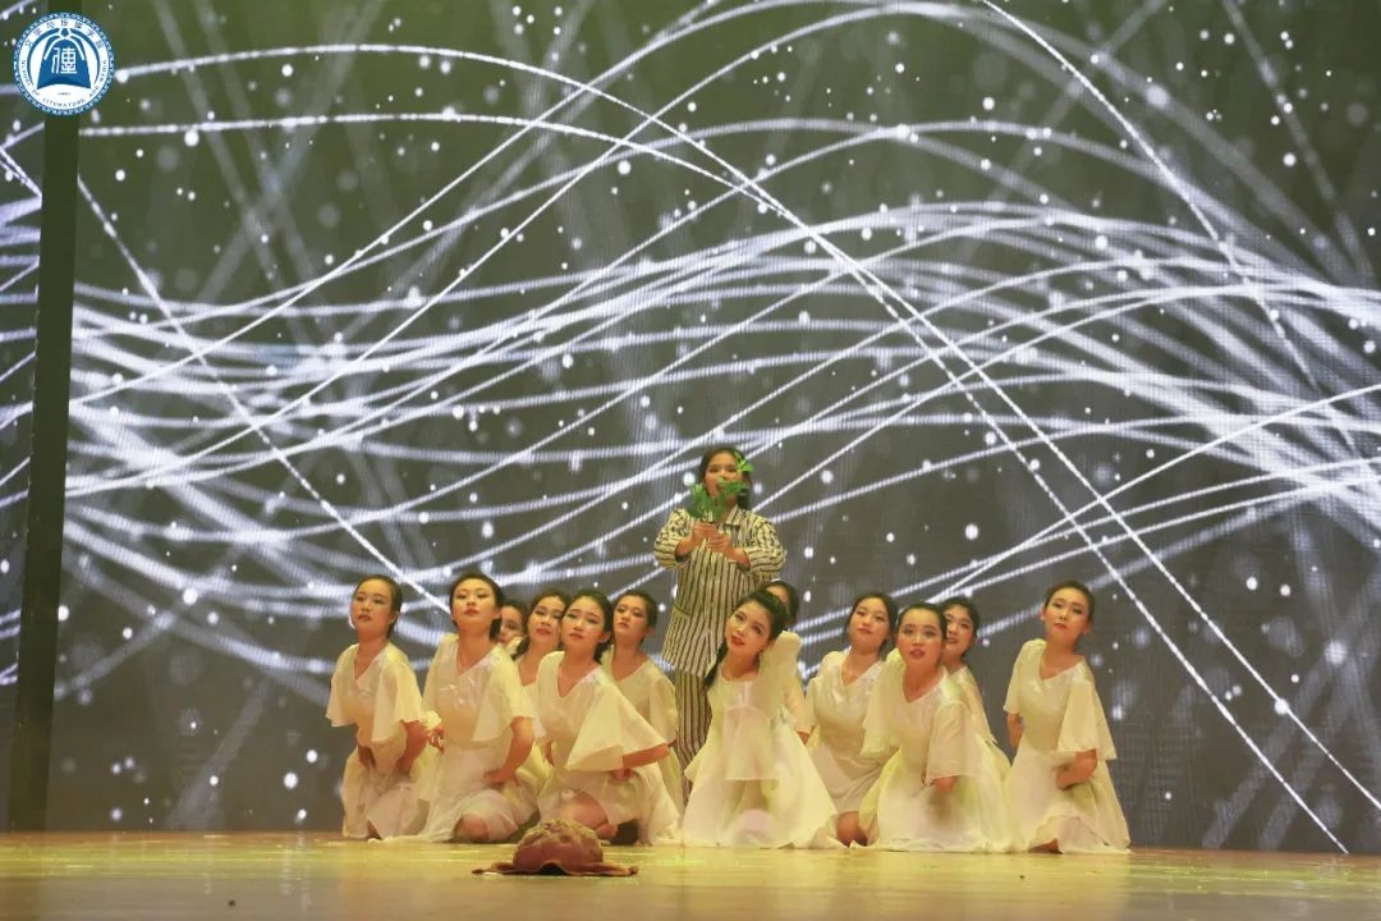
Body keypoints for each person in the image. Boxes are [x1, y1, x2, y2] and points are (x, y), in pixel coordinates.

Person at [654, 446, 785, 765]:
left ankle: (728, 794)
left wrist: (735, 553)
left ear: (744, 480)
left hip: (737, 648)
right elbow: (662, 552)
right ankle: (692, 795)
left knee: (734, 731)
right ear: (703, 480)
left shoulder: (756, 525)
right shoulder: (685, 519)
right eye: (714, 469)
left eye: (730, 469)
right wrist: (690, 542)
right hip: (691, 643)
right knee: (689, 733)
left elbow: (775, 560)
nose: (722, 475)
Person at [681, 591, 836, 848]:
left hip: (767, 763)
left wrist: (772, 629)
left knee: (757, 836)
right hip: (724, 757)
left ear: (769, 643)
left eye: (756, 629)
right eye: (739, 617)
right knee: (704, 837)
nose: (741, 630)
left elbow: (792, 641)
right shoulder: (717, 663)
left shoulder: (769, 672)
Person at [535, 590, 680, 844]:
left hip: (615, 781)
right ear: (561, 624)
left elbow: (658, 749)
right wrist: (550, 744)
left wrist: (618, 762)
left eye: (591, 620)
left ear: (603, 635)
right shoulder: (548, 664)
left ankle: (618, 820)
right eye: (573, 616)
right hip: (570, 776)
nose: (579, 625)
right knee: (547, 835)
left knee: (562, 828)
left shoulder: (600, 687)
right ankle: (608, 828)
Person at [405, 573, 536, 843]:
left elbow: (525, 736)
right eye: (462, 596)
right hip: (449, 772)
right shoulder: (446, 648)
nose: (471, 601)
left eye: (481, 595)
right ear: (453, 612)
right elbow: (434, 703)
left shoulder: (499, 667)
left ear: (496, 612)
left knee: (474, 825)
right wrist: (440, 725)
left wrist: (503, 774)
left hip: (487, 778)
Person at [1004, 581, 1130, 853]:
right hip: (1029, 771)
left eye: (1076, 611)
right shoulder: (1029, 651)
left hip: (1069, 779)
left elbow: (1086, 763)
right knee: (1007, 836)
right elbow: (1013, 711)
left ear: (1086, 626)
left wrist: (1058, 782)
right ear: (1043, 612)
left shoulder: (1079, 680)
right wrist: (1024, 749)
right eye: (1058, 605)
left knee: (1054, 835)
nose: (1063, 614)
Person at [859, 604, 996, 851]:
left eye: (929, 634)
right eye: (908, 631)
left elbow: (946, 781)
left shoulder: (949, 699)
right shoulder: (893, 668)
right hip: (902, 776)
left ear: (943, 645)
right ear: (895, 638)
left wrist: (928, 772)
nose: (917, 641)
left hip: (942, 794)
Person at [326, 574, 431, 839]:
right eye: (360, 598)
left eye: (378, 601)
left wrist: (403, 766)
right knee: (358, 832)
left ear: (393, 616)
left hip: (410, 762)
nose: (366, 606)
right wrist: (365, 748)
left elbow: (417, 731)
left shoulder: (393, 664)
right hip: (375, 761)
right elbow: (359, 715)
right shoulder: (346, 659)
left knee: (377, 830)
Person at [803, 592, 896, 846]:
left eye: (878, 618)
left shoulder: (888, 677)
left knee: (848, 830)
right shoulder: (830, 662)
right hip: (819, 772)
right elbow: (808, 723)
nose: (867, 621)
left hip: (863, 779)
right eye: (861, 613)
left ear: (888, 633)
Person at [601, 590, 685, 812]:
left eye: (636, 613)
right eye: (621, 610)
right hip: (599, 759)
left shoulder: (653, 679)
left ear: (648, 629)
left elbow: (665, 740)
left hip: (643, 768)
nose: (625, 616)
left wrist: (627, 762)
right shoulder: (597, 662)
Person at [764, 579, 810, 742]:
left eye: (779, 604)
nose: (769, 607)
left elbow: (801, 728)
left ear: (790, 619)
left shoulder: (784, 655)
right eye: (764, 600)